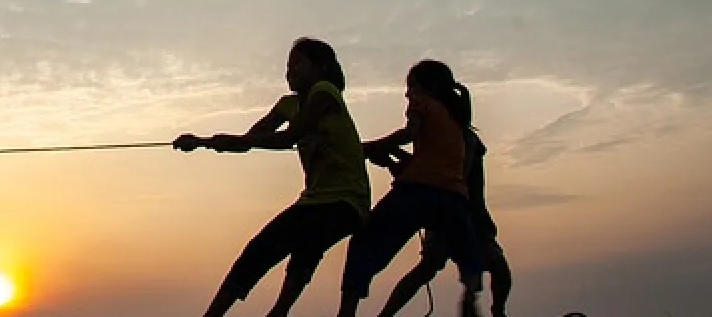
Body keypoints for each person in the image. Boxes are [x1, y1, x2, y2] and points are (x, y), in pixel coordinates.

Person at [174, 38, 371, 317]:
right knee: (279, 248)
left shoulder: (325, 93)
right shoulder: (288, 105)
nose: (290, 71)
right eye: (287, 66)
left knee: (293, 245)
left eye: (297, 64)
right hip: (317, 201)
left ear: (320, 67)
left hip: (347, 201)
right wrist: (203, 141)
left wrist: (240, 141)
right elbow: (250, 139)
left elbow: (290, 136)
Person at [336, 60, 486, 317]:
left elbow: (409, 133)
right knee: (467, 251)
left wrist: (372, 147)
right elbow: (431, 163)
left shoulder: (423, 104)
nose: (408, 94)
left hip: (416, 193)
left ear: (431, 88)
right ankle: (471, 294)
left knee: (366, 242)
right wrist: (388, 156)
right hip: (453, 198)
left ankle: (347, 310)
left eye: (412, 87)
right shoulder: (457, 126)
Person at [370, 95, 512, 317]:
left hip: (463, 212)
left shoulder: (466, 140)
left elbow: (451, 174)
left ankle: (497, 311)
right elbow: (426, 171)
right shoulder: (439, 139)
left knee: (494, 266)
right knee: (432, 269)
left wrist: (387, 153)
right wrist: (389, 157)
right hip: (449, 211)